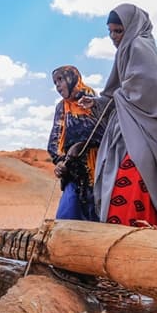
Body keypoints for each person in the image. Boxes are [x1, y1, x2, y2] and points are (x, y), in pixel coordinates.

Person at [78, 3, 157, 232]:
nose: (113, 37)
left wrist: (119, 96)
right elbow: (116, 92)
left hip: (149, 132)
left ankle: (135, 238)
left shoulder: (139, 46)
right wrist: (97, 102)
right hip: (128, 130)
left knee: (135, 176)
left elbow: (146, 89)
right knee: (119, 182)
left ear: (131, 28)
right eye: (110, 31)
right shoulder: (125, 51)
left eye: (118, 31)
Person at [47, 65, 106, 221]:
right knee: (66, 217)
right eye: (55, 82)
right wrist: (60, 161)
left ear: (73, 77)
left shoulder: (92, 101)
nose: (57, 85)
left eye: (60, 79)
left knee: (99, 219)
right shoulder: (62, 107)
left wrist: (83, 144)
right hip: (74, 171)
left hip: (99, 169)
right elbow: (55, 138)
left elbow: (106, 132)